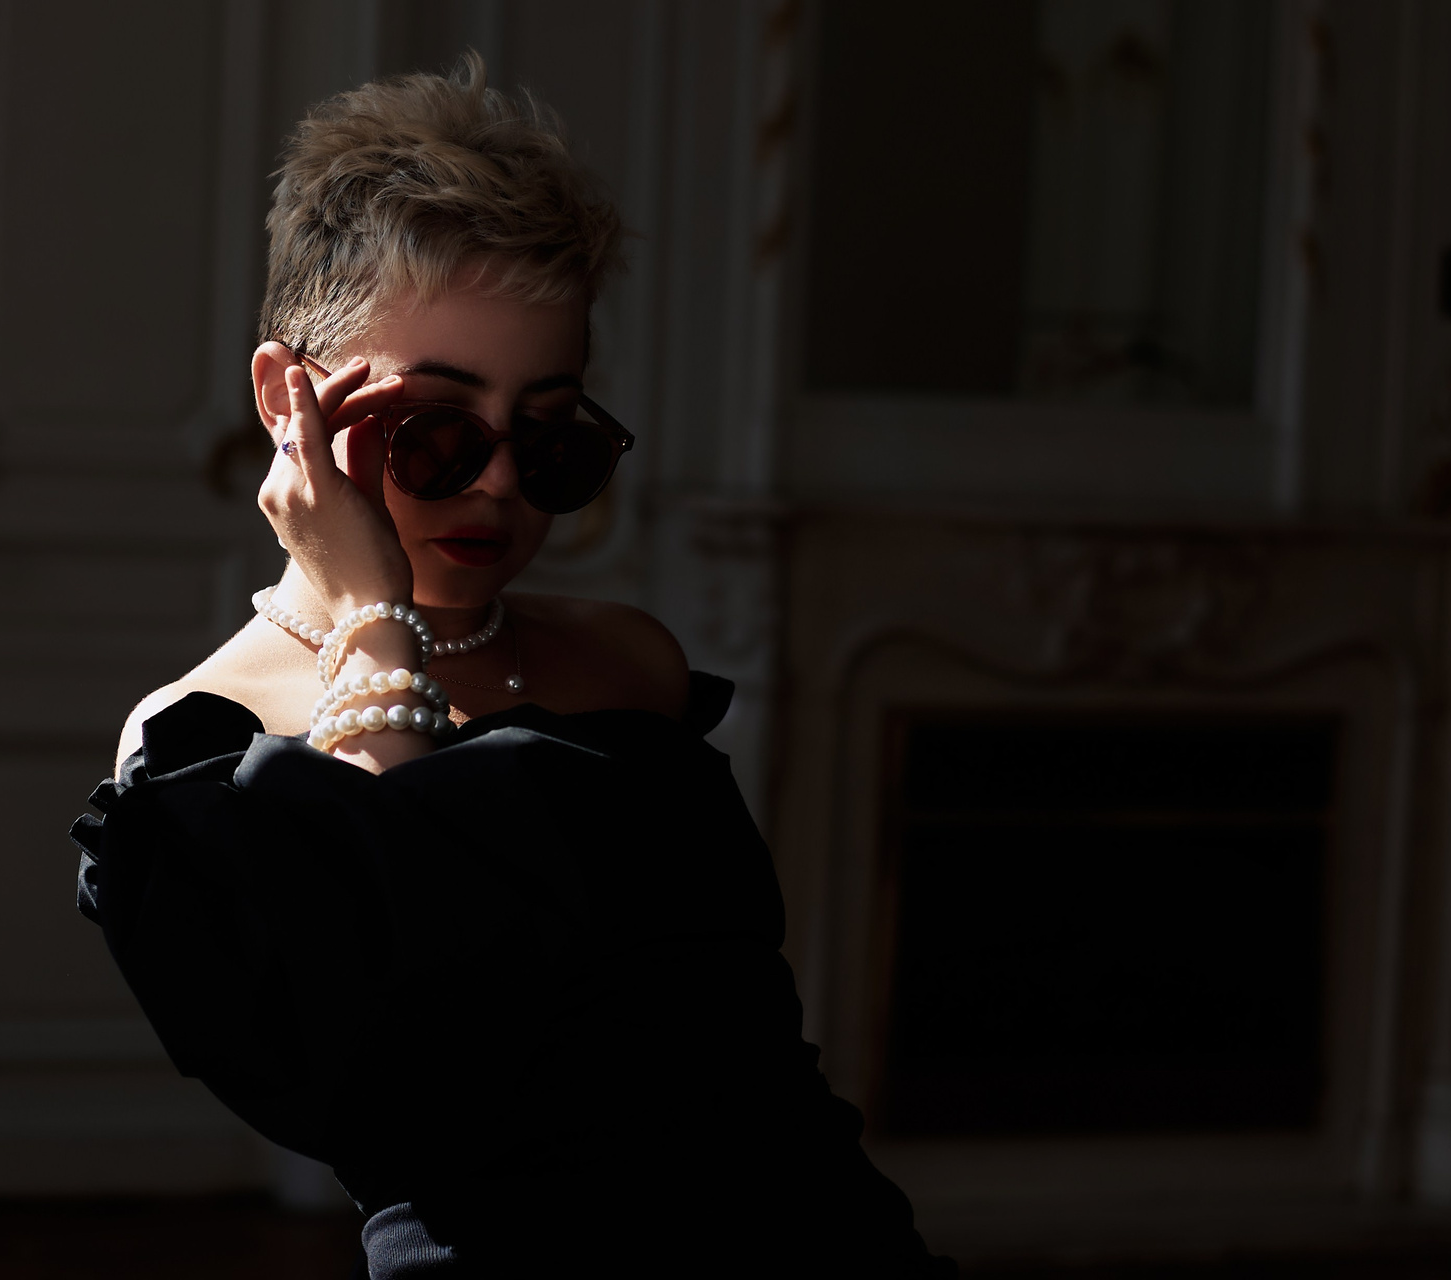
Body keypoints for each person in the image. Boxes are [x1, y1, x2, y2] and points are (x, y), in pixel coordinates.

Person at [71, 54, 954, 1278]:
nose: (496, 482)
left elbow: (746, 1041)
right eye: (432, 428)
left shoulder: (627, 656)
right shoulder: (196, 749)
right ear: (288, 403)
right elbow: (402, 1060)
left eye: (548, 434)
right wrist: (373, 617)